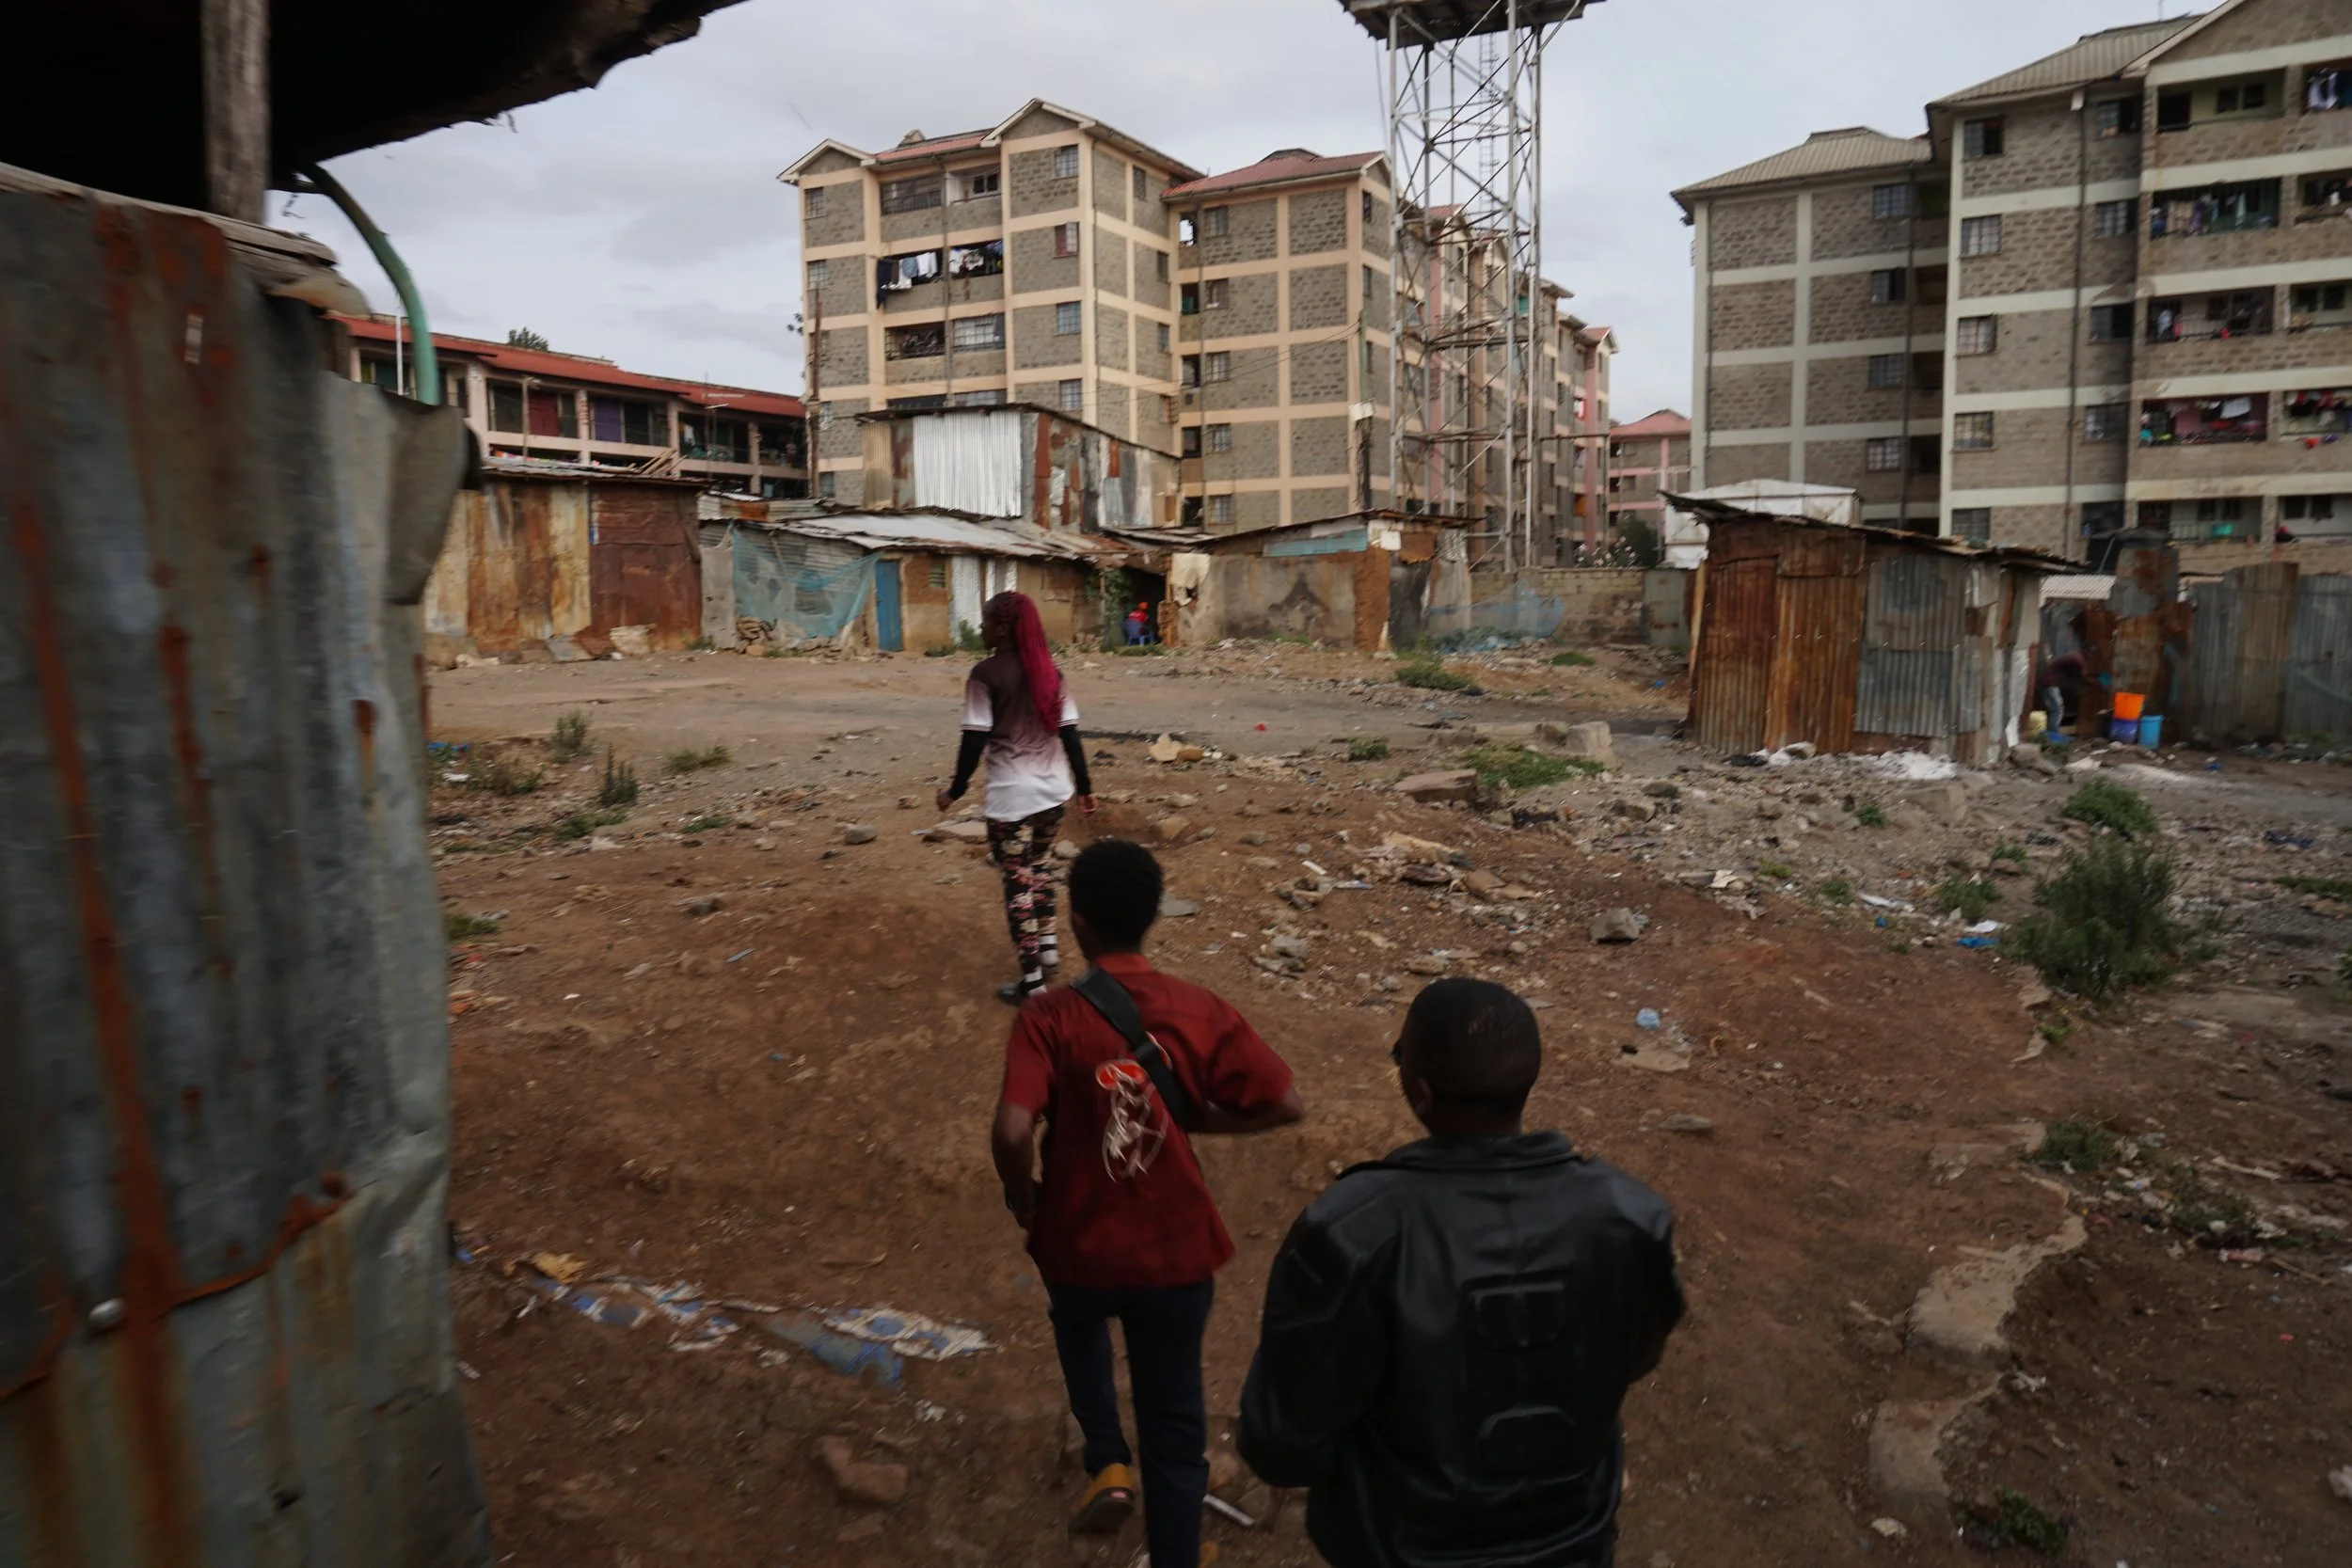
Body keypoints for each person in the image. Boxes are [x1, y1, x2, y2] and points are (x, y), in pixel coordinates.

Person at [1237, 979, 1683, 1568]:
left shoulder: (1354, 1230)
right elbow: (1633, 1359)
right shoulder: (1631, 1215)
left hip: (1399, 1549)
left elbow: (1282, 1446)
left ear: (1419, 1091)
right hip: (1574, 1543)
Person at [993, 838, 1305, 1568]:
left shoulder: (1048, 1017)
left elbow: (1013, 1127)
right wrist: (1203, 1120)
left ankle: (1105, 1458)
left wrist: (1021, 1195)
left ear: (1077, 921)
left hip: (1077, 1236)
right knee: (1173, 1415)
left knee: (1078, 1324)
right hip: (1173, 1249)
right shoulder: (1199, 1008)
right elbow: (1285, 1102)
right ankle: (1173, 1553)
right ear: (1154, 915)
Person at [938, 591, 1094, 1004]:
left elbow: (973, 741)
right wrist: (1086, 790)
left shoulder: (985, 675)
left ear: (1004, 628)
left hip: (1011, 801)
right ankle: (1048, 949)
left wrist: (953, 791)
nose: (982, 627)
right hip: (1053, 795)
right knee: (1040, 869)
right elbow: (1071, 736)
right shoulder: (1051, 673)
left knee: (1017, 885)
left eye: (987, 621)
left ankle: (1033, 985)